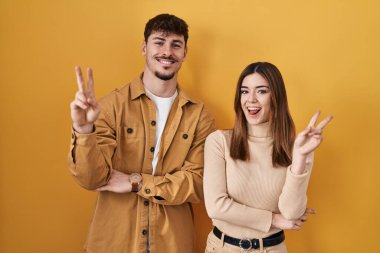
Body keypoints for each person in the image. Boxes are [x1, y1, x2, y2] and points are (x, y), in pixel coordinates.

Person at [68, 14, 215, 253]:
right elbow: (93, 179)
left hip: (172, 244)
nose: (167, 52)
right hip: (114, 242)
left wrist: (134, 182)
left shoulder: (199, 116)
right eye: (159, 42)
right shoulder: (110, 106)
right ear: (144, 48)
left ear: (184, 52)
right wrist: (84, 130)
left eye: (175, 44)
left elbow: (196, 184)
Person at [203, 62, 332, 253]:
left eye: (261, 91)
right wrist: (274, 219)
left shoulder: (298, 148)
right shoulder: (219, 141)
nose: (251, 99)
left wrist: (299, 157)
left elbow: (291, 213)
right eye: (245, 91)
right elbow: (216, 207)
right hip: (222, 248)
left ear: (276, 97)